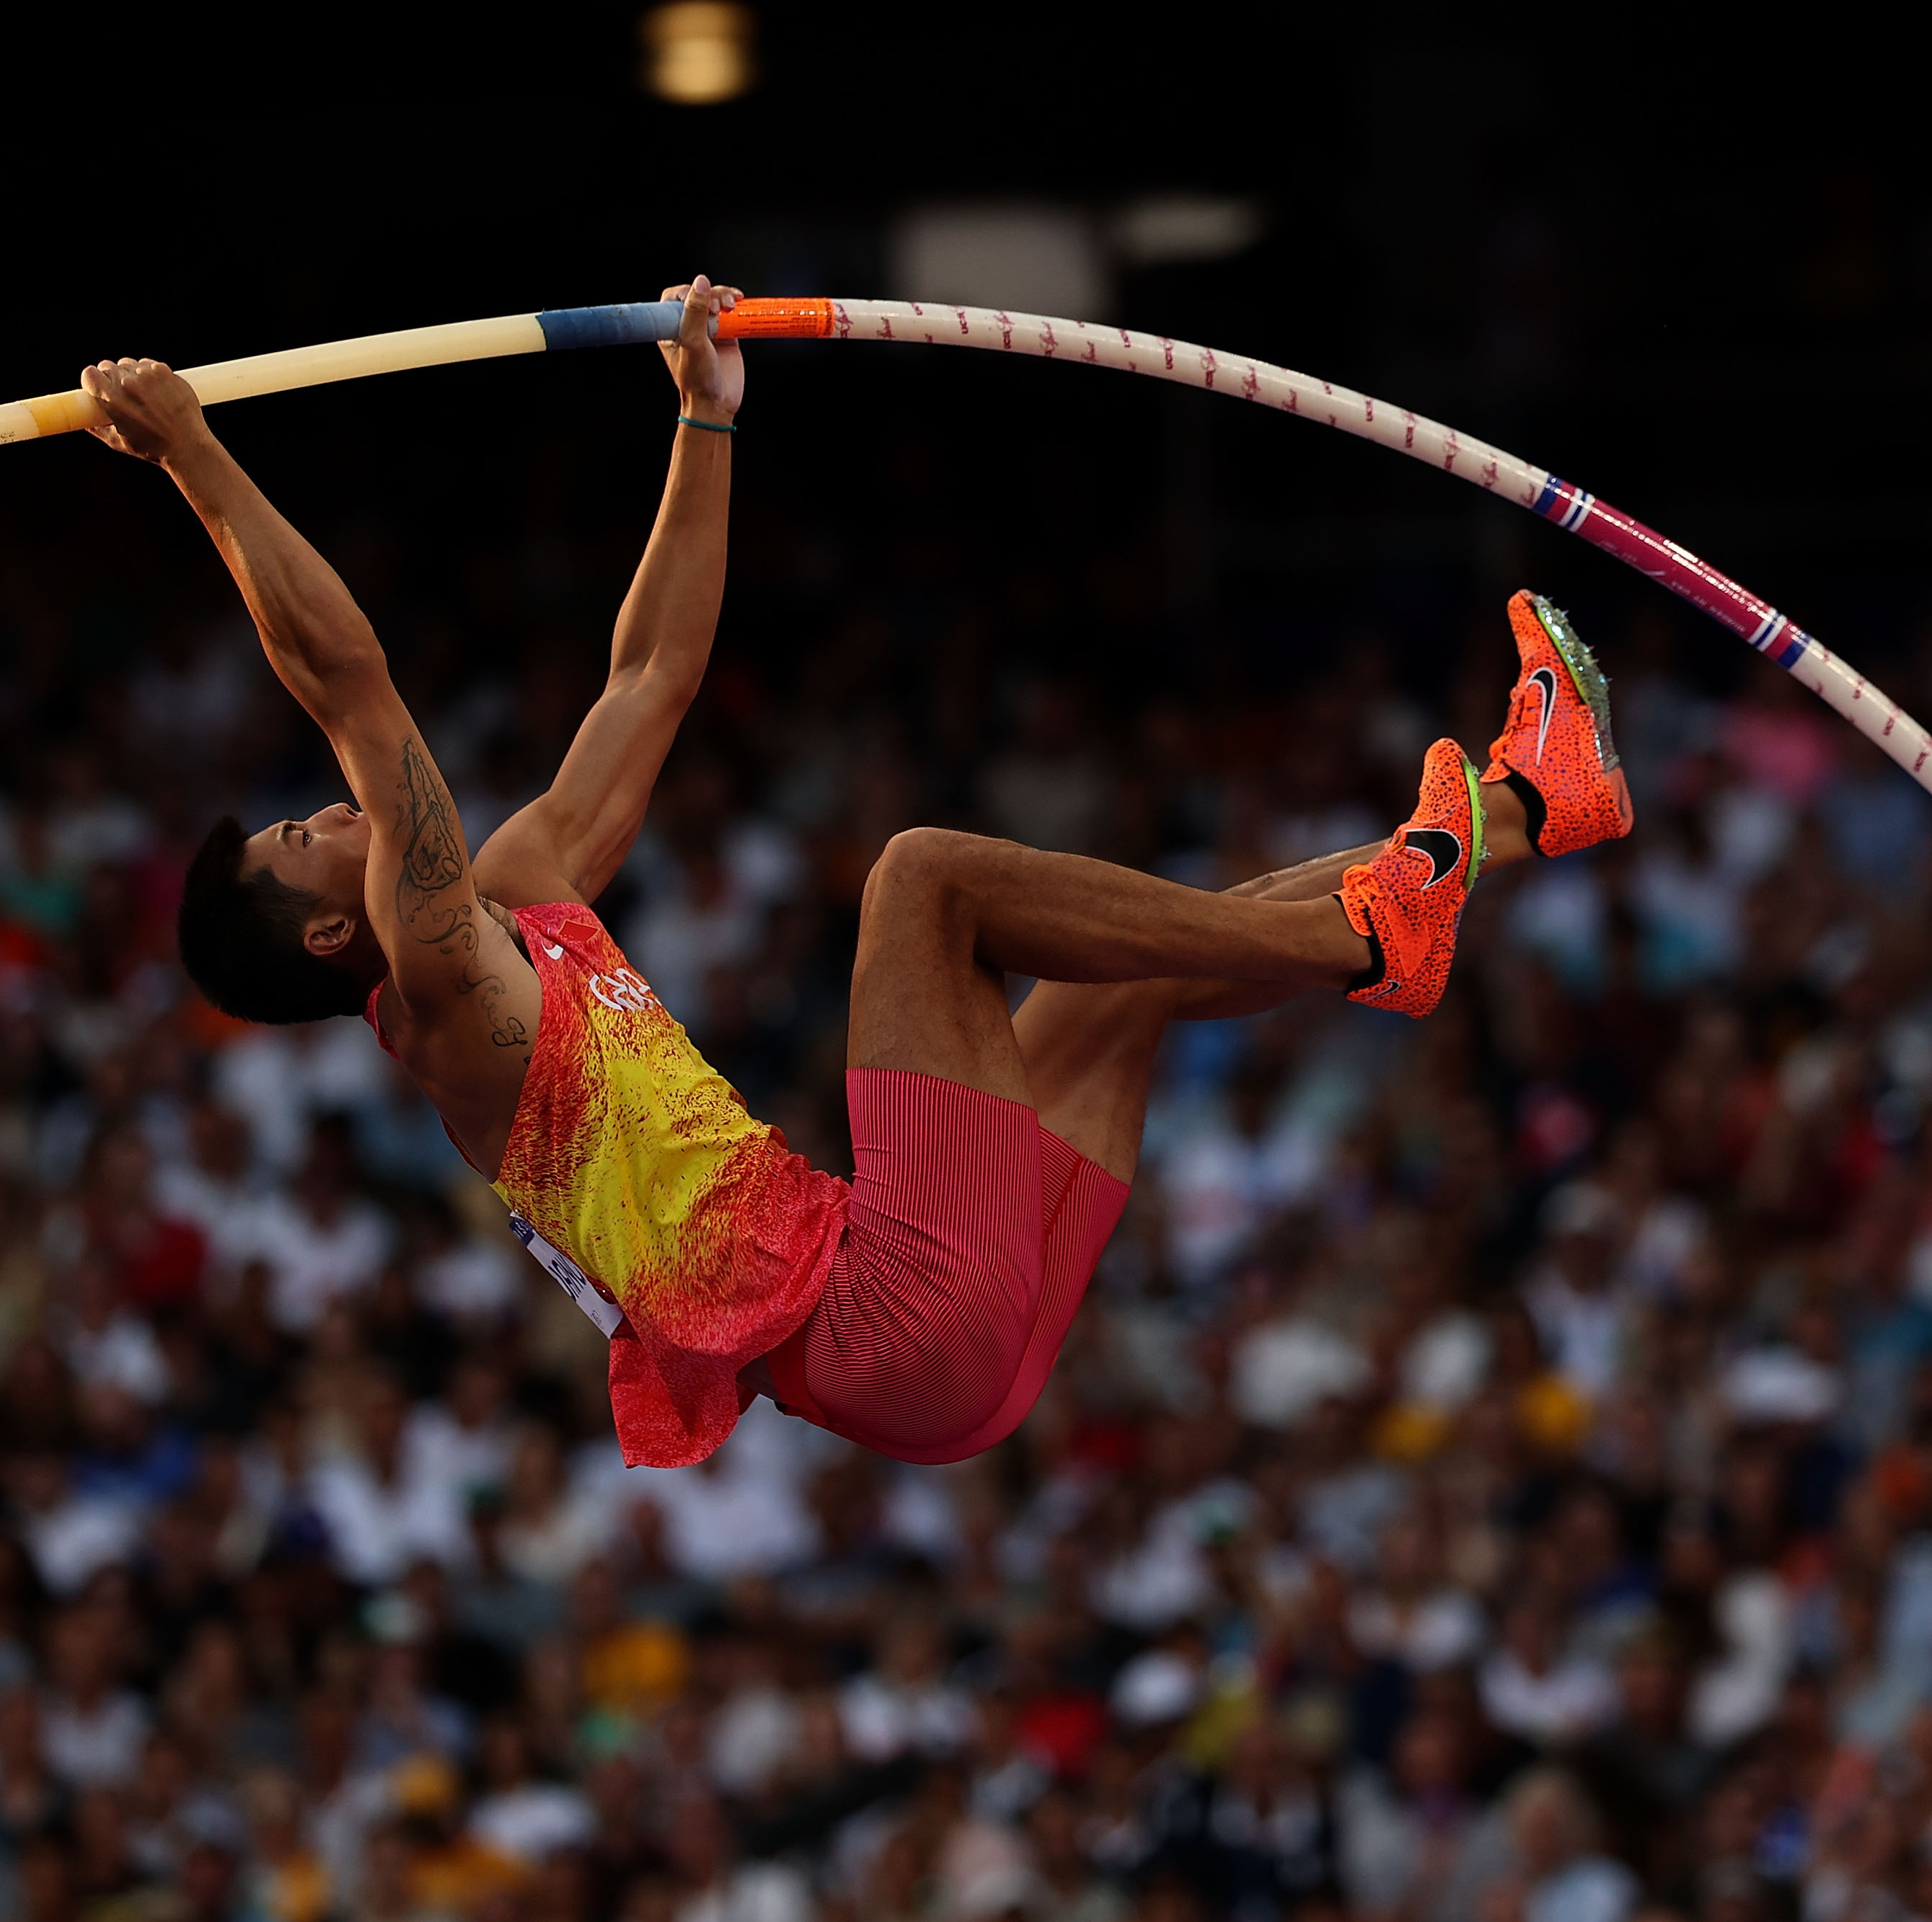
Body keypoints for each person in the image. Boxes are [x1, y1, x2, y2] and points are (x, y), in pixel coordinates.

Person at [88, 278, 1634, 1469]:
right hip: (877, 1319)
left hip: (934, 1363)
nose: (333, 820)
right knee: (923, 883)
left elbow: (648, 682)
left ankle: (1519, 799)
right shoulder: (433, 979)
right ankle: (1372, 938)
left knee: (1122, 977)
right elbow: (347, 682)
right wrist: (193, 458)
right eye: (307, 842)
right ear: (315, 940)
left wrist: (705, 418)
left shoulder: (505, 891)